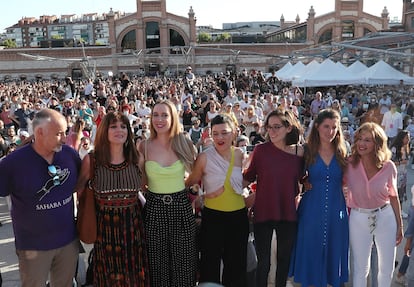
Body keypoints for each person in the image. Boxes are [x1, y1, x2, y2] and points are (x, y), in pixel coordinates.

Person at [0, 108, 81, 287]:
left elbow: (81, 182)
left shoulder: (69, 155)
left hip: (67, 243)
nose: (64, 138)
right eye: (59, 133)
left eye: (65, 132)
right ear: (39, 132)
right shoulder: (13, 163)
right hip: (33, 247)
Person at [75, 111, 150, 287]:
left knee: (135, 277)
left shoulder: (137, 158)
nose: (119, 130)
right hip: (104, 230)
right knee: (108, 278)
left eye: (123, 126)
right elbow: (79, 191)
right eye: (113, 126)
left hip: (134, 229)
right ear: (104, 131)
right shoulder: (92, 160)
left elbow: (145, 187)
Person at [138, 100, 198, 287]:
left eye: (164, 115)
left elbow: (196, 176)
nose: (159, 119)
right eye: (155, 115)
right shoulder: (144, 146)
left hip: (181, 208)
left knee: (184, 266)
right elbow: (141, 182)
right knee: (157, 268)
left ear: (173, 117)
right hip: (154, 209)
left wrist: (190, 192)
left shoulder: (185, 143)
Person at [186, 114, 249, 287]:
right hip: (213, 218)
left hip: (238, 218)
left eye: (224, 133)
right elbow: (191, 186)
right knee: (209, 265)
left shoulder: (240, 155)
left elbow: (242, 184)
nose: (220, 137)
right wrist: (204, 196)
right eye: (215, 133)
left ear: (234, 133)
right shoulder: (204, 157)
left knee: (236, 266)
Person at [243, 109, 304, 287]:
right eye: (269, 127)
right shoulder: (260, 150)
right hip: (263, 212)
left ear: (288, 128)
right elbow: (248, 177)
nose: (272, 131)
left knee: (283, 260)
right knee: (264, 263)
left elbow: (306, 178)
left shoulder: (299, 153)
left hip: (288, 213)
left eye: (277, 127)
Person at [289, 109, 349, 287]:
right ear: (317, 126)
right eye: (326, 126)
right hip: (311, 210)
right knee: (311, 249)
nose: (330, 131)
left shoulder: (343, 153)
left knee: (333, 250)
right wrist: (303, 183)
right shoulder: (305, 151)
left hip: (336, 210)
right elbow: (292, 175)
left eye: (334, 127)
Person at [345, 122, 403, 287]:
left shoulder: (389, 167)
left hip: (385, 217)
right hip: (358, 218)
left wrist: (399, 224)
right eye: (360, 139)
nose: (362, 144)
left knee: (386, 268)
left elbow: (393, 196)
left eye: (368, 140)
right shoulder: (349, 164)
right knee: (360, 269)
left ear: (377, 143)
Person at [390, 130, 410, 207]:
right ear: (401, 138)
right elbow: (390, 162)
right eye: (406, 138)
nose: (408, 140)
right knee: (395, 193)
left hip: (403, 174)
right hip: (396, 175)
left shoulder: (405, 148)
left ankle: (400, 209)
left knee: (401, 193)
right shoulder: (394, 149)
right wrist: (401, 162)